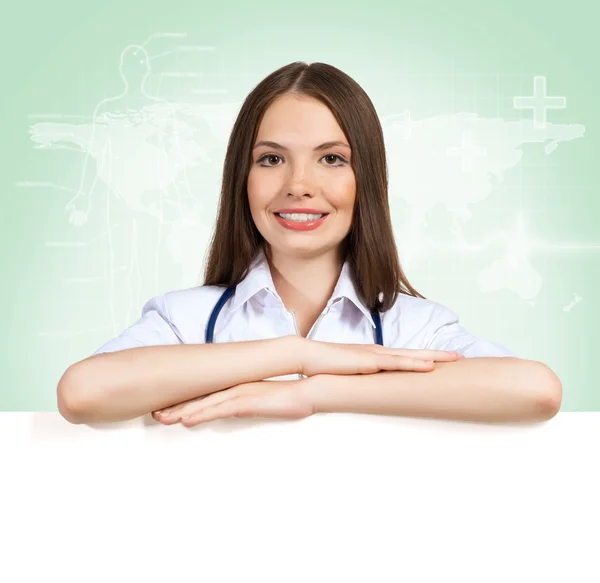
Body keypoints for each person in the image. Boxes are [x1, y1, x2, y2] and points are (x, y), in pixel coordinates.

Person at [57, 61, 562, 426]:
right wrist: (296, 354)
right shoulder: (184, 319)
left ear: (367, 181)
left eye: (332, 159)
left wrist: (316, 393)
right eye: (272, 159)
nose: (299, 184)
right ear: (243, 180)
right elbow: (83, 394)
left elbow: (535, 391)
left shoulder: (416, 329)